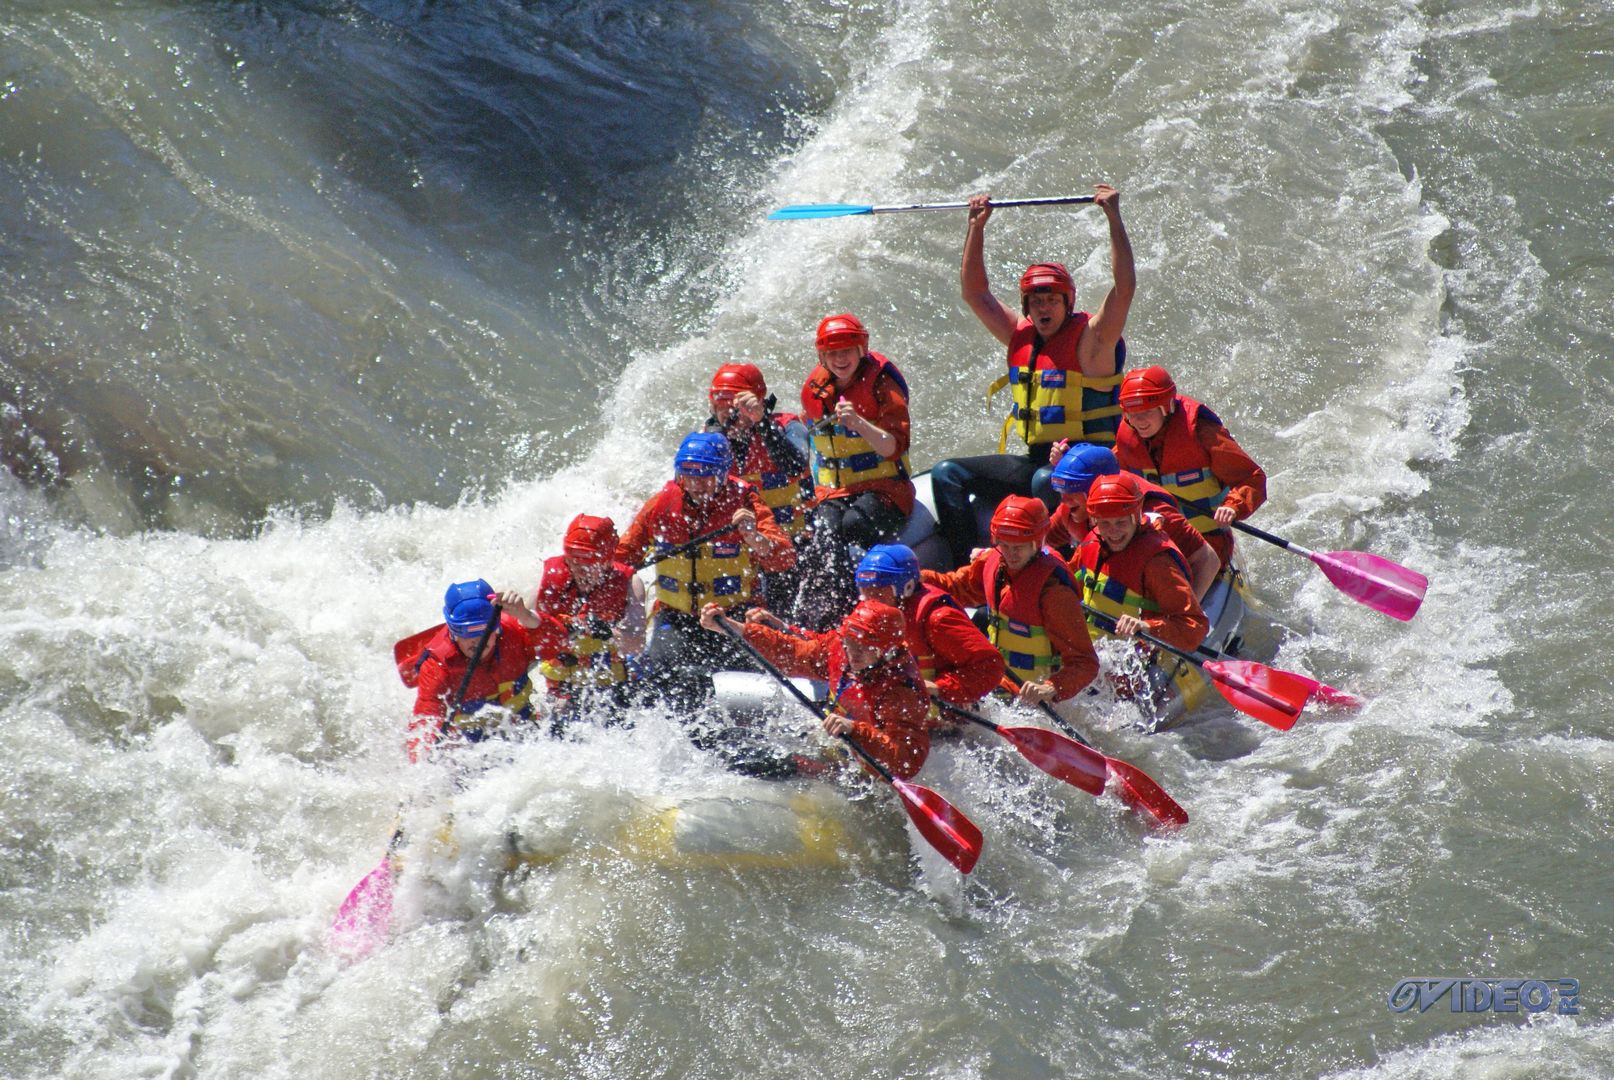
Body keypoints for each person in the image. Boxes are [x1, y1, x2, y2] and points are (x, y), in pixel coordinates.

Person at [930, 184, 1136, 568]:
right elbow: (975, 294)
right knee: (948, 474)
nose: (1044, 308)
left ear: (1067, 303)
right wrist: (976, 226)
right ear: (1027, 307)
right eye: (1036, 301)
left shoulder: (1093, 342)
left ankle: (1050, 570)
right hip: (1040, 457)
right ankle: (967, 567)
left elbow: (1124, 289)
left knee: (1047, 482)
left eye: (1052, 300)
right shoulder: (1019, 335)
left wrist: (1113, 217)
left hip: (1093, 462)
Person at [614, 431, 796, 714]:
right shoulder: (660, 505)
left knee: (759, 694)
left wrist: (754, 537)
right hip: (677, 618)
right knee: (661, 679)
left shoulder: (746, 501)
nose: (696, 484)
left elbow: (785, 558)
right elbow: (622, 561)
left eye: (705, 476)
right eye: (688, 476)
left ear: (722, 475)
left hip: (733, 616)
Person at [703, 598, 932, 779]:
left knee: (767, 764)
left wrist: (855, 730)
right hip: (839, 746)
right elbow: (793, 653)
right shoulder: (840, 649)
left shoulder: (901, 693)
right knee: (735, 746)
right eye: (849, 644)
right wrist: (733, 628)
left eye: (864, 647)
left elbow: (905, 762)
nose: (853, 653)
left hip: (864, 769)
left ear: (887, 649)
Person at [795, 313, 916, 629]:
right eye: (832, 354)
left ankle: (864, 611)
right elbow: (811, 444)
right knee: (823, 531)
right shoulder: (816, 388)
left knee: (853, 524)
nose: (840, 359)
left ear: (861, 348)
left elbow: (894, 448)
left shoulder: (882, 385)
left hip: (886, 491)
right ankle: (828, 618)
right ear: (822, 356)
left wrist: (859, 424)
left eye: (846, 350)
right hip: (837, 491)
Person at [920, 496, 1100, 708]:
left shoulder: (1054, 595)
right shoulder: (993, 562)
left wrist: (1051, 688)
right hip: (999, 682)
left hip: (1036, 697)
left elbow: (1085, 663)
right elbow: (959, 588)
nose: (1011, 554)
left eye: (1019, 547)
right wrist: (921, 577)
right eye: (1005, 545)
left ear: (1037, 541)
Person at [1112, 365, 1266, 567]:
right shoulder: (1127, 440)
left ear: (1165, 407)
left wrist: (1232, 507)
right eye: (1132, 413)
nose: (1139, 421)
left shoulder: (1204, 434)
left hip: (1206, 542)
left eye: (1147, 412)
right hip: (1151, 537)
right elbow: (1107, 477)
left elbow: (1252, 478)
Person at [1046, 442, 1220, 601]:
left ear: (1096, 489)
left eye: (1071, 492)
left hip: (1160, 589)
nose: (1064, 501)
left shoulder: (1155, 514)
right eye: (1061, 492)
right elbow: (1040, 543)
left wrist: (1188, 611)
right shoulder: (1070, 511)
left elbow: (1209, 559)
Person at [703, 362, 813, 613]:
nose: (729, 416)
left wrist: (762, 423)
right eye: (722, 407)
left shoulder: (789, 427)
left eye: (738, 408)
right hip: (745, 545)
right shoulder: (709, 440)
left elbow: (795, 466)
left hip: (793, 540)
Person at [405, 579, 549, 763]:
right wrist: (425, 763)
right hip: (471, 752)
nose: (477, 641)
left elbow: (559, 642)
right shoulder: (437, 667)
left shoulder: (514, 634)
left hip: (526, 733)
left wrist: (526, 616)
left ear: (496, 628)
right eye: (466, 632)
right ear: (452, 631)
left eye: (484, 631)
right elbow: (424, 724)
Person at [1073, 474, 1209, 654]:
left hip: (1142, 659)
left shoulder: (1157, 563)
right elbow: (1067, 587)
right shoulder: (1090, 544)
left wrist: (1146, 627)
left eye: (1121, 522)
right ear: (1094, 520)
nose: (1113, 532)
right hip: (1097, 654)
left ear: (1136, 516)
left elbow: (1195, 626)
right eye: (1105, 523)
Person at [533, 513, 646, 725]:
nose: (579, 571)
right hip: (561, 689)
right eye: (573, 563)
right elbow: (525, 635)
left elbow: (637, 645)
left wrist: (607, 632)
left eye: (588, 564)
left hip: (611, 687)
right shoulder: (549, 577)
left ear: (607, 561)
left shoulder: (632, 584)